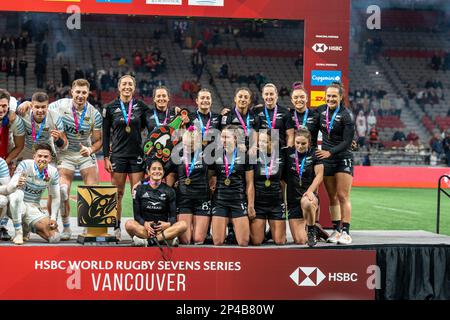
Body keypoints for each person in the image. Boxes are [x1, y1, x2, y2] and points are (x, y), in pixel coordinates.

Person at [48, 79, 102, 239]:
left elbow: (99, 140)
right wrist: (28, 105)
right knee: (62, 191)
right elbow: (42, 109)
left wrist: (91, 149)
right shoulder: (58, 106)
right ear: (71, 92)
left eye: (84, 92)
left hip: (85, 153)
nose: (80, 95)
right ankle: (66, 228)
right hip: (65, 154)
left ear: (88, 93)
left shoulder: (95, 113)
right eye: (77, 92)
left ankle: (89, 226)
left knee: (92, 190)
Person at [102, 75, 151, 240]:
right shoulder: (110, 107)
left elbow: (150, 125)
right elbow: (105, 135)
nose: (127, 87)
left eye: (130, 84)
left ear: (134, 87)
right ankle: (116, 228)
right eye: (124, 84)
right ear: (119, 86)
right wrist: (106, 157)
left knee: (137, 193)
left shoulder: (141, 106)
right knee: (118, 194)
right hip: (118, 156)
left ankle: (138, 228)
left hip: (137, 155)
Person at [315, 82, 355, 244]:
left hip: (343, 157)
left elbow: (347, 141)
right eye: (329, 96)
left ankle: (346, 232)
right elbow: (304, 115)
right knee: (332, 197)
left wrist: (330, 152)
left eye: (334, 96)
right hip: (327, 159)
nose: (331, 99)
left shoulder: (347, 115)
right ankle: (336, 230)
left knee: (342, 195)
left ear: (340, 97)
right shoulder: (320, 110)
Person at [209, 127, 255, 246]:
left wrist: (250, 205)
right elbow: (211, 179)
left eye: (226, 137)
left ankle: (233, 229)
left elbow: (250, 183)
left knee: (243, 242)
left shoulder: (245, 156)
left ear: (235, 139)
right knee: (218, 241)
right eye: (222, 137)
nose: (223, 140)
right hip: (220, 200)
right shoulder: (215, 155)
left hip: (238, 200)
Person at [125, 159, 187, 247]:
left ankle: (150, 241)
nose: (157, 171)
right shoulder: (139, 190)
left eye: (159, 169)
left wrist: (167, 224)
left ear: (163, 172)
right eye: (154, 169)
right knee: (129, 224)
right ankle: (164, 240)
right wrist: (145, 224)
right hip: (146, 229)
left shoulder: (170, 191)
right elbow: (137, 216)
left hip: (163, 229)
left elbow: (173, 217)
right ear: (148, 171)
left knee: (183, 225)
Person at [8, 143, 61, 245]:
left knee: (55, 237)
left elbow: (55, 197)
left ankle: (27, 226)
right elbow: (10, 186)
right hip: (17, 204)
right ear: (34, 157)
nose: (42, 159)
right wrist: (16, 183)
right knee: (15, 197)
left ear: (50, 159)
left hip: (33, 207)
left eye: (46, 157)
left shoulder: (53, 172)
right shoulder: (25, 165)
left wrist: (53, 218)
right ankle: (19, 232)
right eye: (39, 156)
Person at [166, 128, 210, 244]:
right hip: (184, 199)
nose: (189, 145)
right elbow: (163, 171)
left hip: (202, 199)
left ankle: (195, 227)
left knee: (198, 239)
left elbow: (221, 166)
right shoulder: (177, 153)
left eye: (192, 142)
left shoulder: (207, 152)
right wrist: (143, 182)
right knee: (185, 240)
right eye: (186, 142)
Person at [284, 128, 324, 247]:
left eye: (303, 143)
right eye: (297, 143)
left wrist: (310, 191)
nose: (300, 146)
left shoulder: (315, 153)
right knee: (300, 240)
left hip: (308, 196)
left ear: (309, 142)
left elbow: (320, 175)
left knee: (307, 202)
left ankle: (311, 229)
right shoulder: (287, 153)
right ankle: (317, 230)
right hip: (292, 200)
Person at [250, 131, 285, 245]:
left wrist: (284, 202)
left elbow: (284, 181)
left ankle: (272, 230)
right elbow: (249, 182)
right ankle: (262, 230)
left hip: (275, 203)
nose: (261, 144)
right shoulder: (253, 156)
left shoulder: (282, 156)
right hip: (258, 204)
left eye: (264, 141)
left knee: (280, 241)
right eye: (259, 141)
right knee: (256, 241)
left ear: (272, 142)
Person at [0, 89, 25, 240]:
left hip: (4, 160)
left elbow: (20, 146)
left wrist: (5, 162)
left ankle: (2, 226)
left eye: (4, 106)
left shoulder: (13, 120)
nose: (1, 109)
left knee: (6, 195)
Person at [254, 83, 294, 148]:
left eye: (271, 94)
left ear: (276, 95)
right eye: (266, 94)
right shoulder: (257, 111)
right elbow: (255, 133)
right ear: (262, 95)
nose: (269, 97)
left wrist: (288, 151)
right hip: (262, 151)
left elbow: (290, 135)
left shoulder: (285, 112)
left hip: (280, 151)